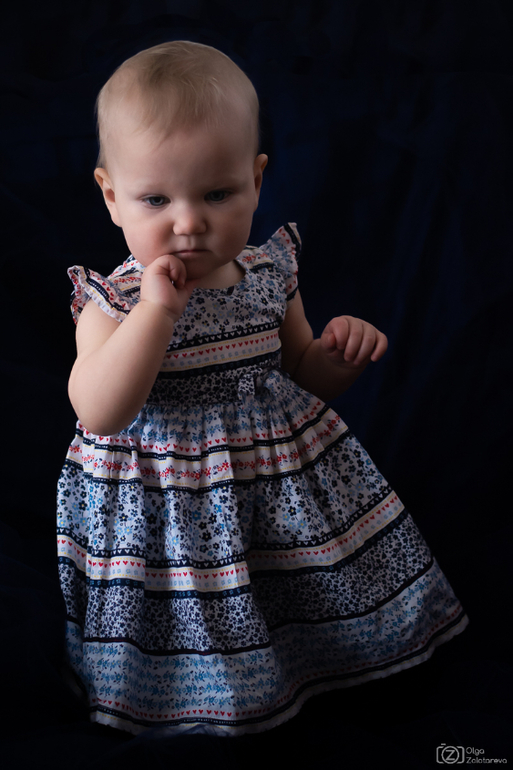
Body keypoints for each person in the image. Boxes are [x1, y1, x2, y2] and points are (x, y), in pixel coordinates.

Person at [57, 40, 467, 736]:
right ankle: (207, 697)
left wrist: (337, 356)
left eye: (217, 194)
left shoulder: (268, 274)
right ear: (111, 196)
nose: (189, 222)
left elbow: (301, 368)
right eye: (156, 199)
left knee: (284, 586)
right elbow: (100, 410)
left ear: (255, 178)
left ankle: (313, 662)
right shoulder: (113, 303)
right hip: (167, 502)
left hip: (271, 482)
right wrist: (157, 313)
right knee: (201, 609)